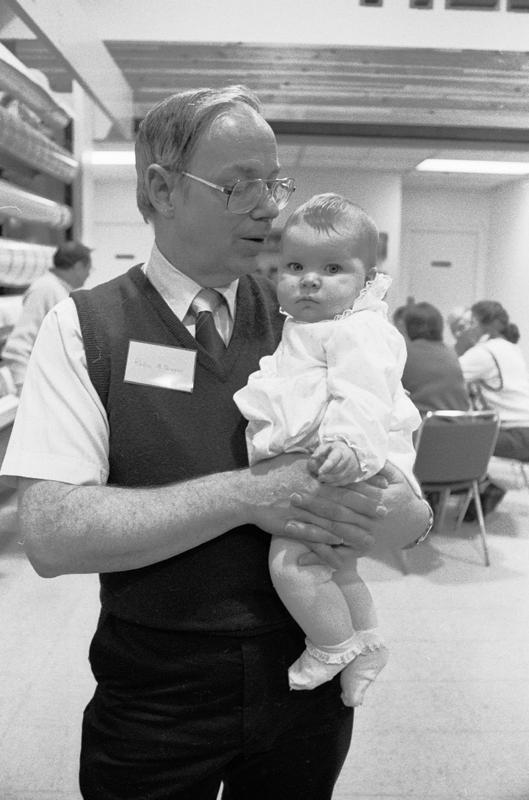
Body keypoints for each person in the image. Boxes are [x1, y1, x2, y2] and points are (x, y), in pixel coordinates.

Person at [1, 85, 431, 800]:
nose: (269, 206)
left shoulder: (318, 319)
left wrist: (392, 512)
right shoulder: (87, 328)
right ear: (162, 190)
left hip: (307, 675)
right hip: (158, 694)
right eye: (239, 186)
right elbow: (50, 534)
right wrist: (250, 495)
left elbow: (408, 516)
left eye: (274, 183)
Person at [234, 193, 422, 708]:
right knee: (338, 569)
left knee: (292, 565)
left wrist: (346, 446)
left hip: (351, 461)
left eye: (332, 268)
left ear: (367, 280)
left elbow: (362, 395)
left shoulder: (359, 329)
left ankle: (332, 645)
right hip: (338, 463)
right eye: (294, 266)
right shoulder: (312, 325)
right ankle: (368, 646)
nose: (309, 279)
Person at [459, 300, 529, 517]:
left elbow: (447, 374)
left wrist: (462, 344)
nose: (464, 329)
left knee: (445, 441)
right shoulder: (510, 347)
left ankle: (485, 485)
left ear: (480, 324)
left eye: (468, 323)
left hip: (513, 434)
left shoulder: (484, 353)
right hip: (524, 430)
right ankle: (488, 488)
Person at [0, 241, 92, 394]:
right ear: (78, 266)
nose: (89, 274)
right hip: (41, 392)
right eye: (89, 269)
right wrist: (25, 390)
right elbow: (17, 347)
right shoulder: (46, 290)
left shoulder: (57, 289)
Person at [401, 301, 470, 417]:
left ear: (408, 328)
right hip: (460, 427)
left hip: (424, 429)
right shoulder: (451, 353)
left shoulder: (405, 353)